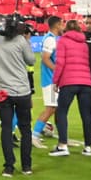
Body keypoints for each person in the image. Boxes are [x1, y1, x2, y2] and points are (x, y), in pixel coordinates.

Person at [0, 13, 37, 177]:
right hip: (22, 90)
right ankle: (26, 166)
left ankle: (9, 167)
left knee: (6, 128)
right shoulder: (19, 39)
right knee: (25, 128)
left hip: (3, 92)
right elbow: (31, 60)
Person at [50, 20, 91, 157]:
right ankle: (88, 146)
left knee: (61, 112)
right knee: (86, 114)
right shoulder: (84, 43)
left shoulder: (63, 42)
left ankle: (62, 145)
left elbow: (60, 63)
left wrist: (56, 81)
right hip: (86, 81)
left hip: (69, 81)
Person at [32, 16, 64, 145]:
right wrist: (57, 70)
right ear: (57, 25)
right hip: (50, 80)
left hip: (54, 80)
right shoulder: (50, 39)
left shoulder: (52, 38)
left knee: (57, 108)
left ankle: (62, 138)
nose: (63, 27)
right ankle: (34, 136)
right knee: (50, 108)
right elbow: (45, 58)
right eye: (62, 24)